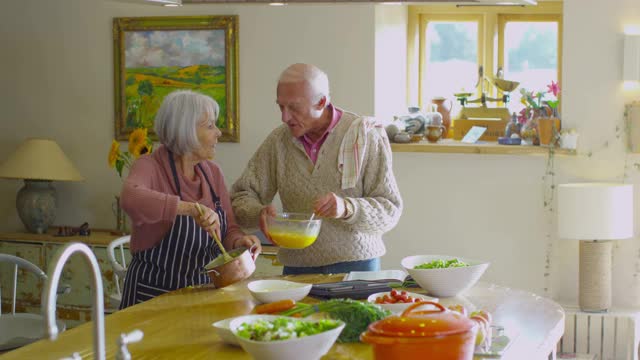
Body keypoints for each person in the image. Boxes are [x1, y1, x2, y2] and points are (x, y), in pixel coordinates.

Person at [231, 63, 402, 275]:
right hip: (297, 267)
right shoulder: (278, 141)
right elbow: (241, 195)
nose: (284, 117)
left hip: (357, 266)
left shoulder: (365, 136)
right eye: (280, 106)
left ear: (321, 102)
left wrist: (347, 208)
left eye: (293, 107)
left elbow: (390, 209)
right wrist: (259, 214)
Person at [119, 90, 261, 309]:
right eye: (210, 126)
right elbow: (130, 198)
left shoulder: (212, 173)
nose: (219, 133)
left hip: (201, 296)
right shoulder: (149, 166)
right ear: (186, 131)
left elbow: (229, 229)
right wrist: (191, 209)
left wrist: (239, 242)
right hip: (152, 300)